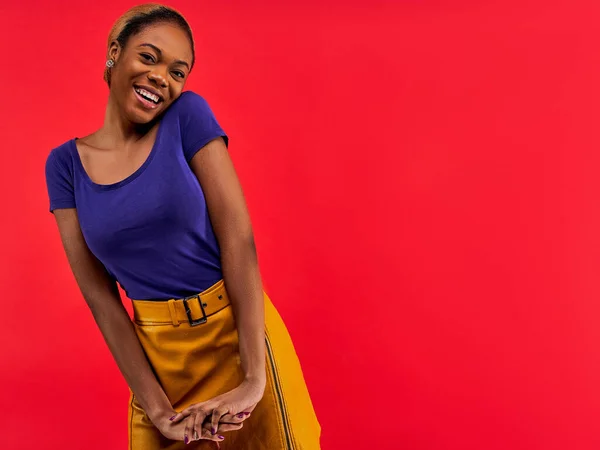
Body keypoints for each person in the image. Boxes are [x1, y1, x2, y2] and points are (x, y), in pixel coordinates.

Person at [44, 3, 321, 449]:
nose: (162, 78)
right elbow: (101, 298)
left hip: (237, 337)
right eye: (149, 58)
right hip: (159, 362)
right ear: (115, 53)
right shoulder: (65, 166)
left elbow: (239, 237)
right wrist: (155, 406)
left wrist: (254, 379)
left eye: (179, 71)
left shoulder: (187, 116)